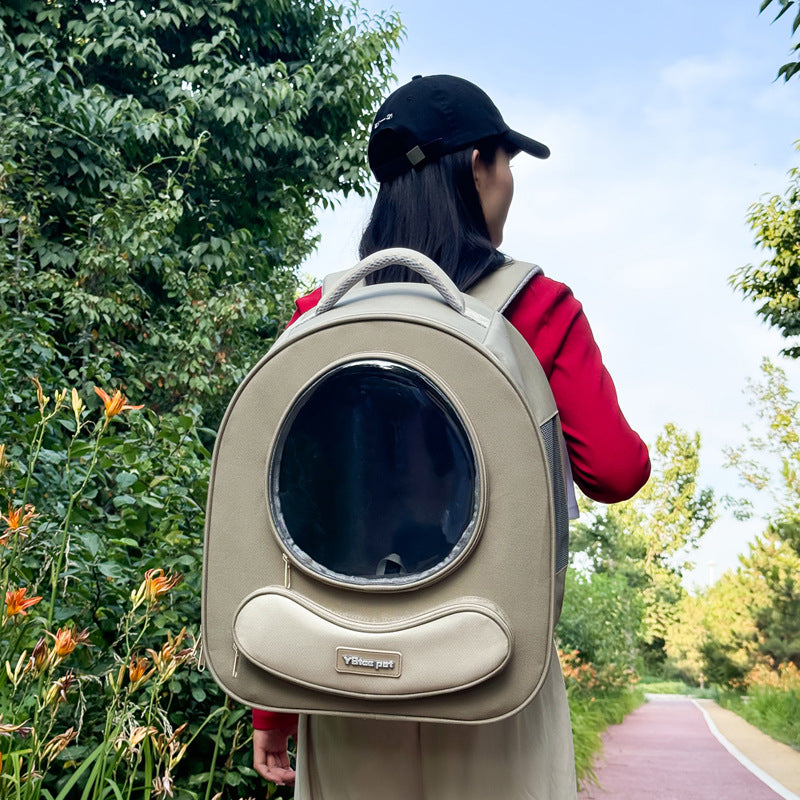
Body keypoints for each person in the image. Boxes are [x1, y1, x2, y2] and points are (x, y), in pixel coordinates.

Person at [251, 74, 651, 799]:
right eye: (507, 163)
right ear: (477, 165)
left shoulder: (318, 315)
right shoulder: (538, 307)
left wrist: (272, 705)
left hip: (342, 666)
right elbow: (616, 472)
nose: (509, 184)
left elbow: (278, 513)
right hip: (493, 670)